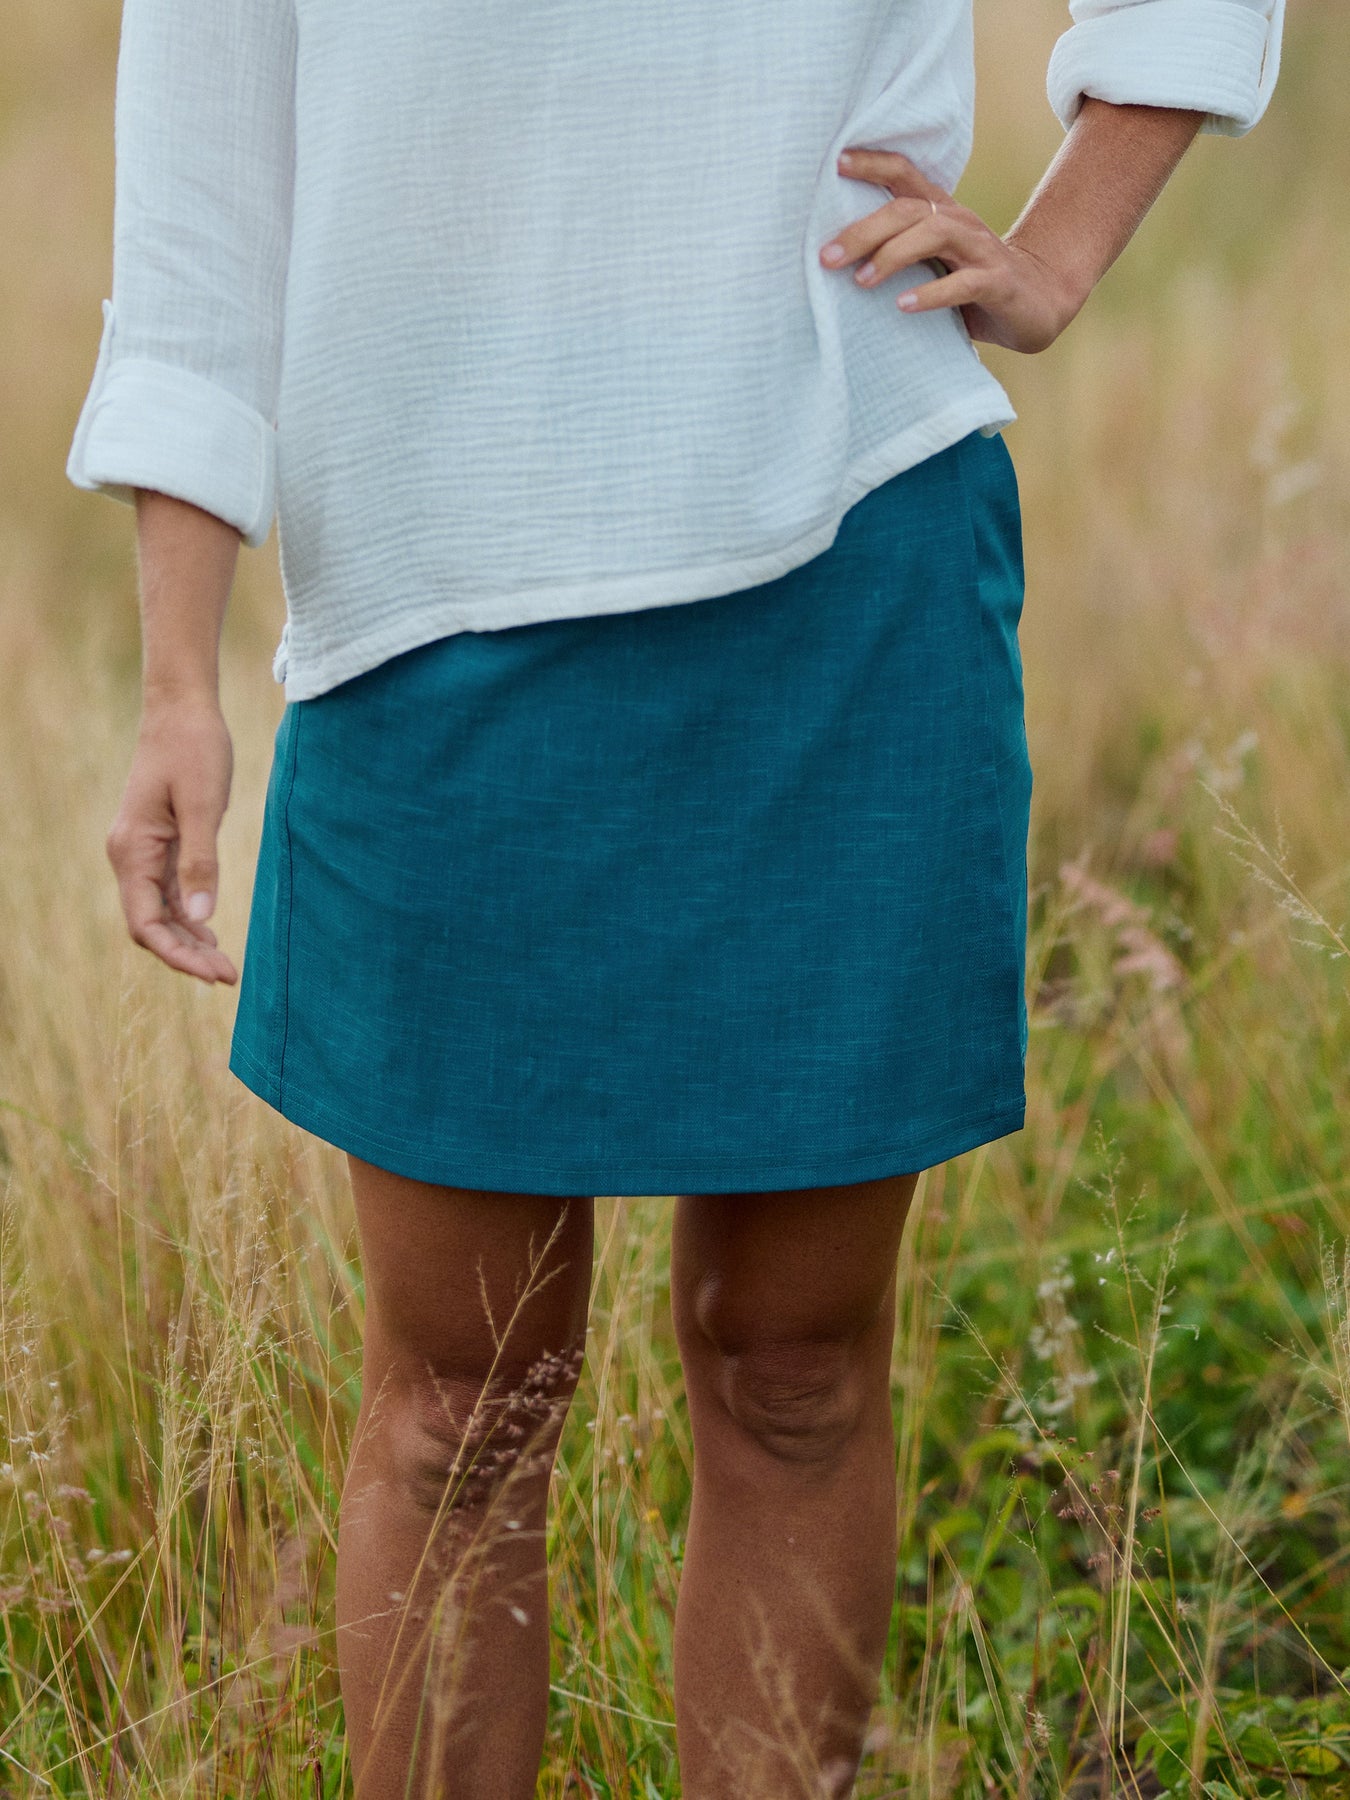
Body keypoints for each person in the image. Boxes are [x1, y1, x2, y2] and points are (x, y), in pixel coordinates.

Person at [67, 0, 1282, 1793]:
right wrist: (178, 679)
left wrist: (1060, 247)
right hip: (426, 610)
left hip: (845, 554)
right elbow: (200, 221)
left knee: (792, 1365)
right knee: (461, 1403)